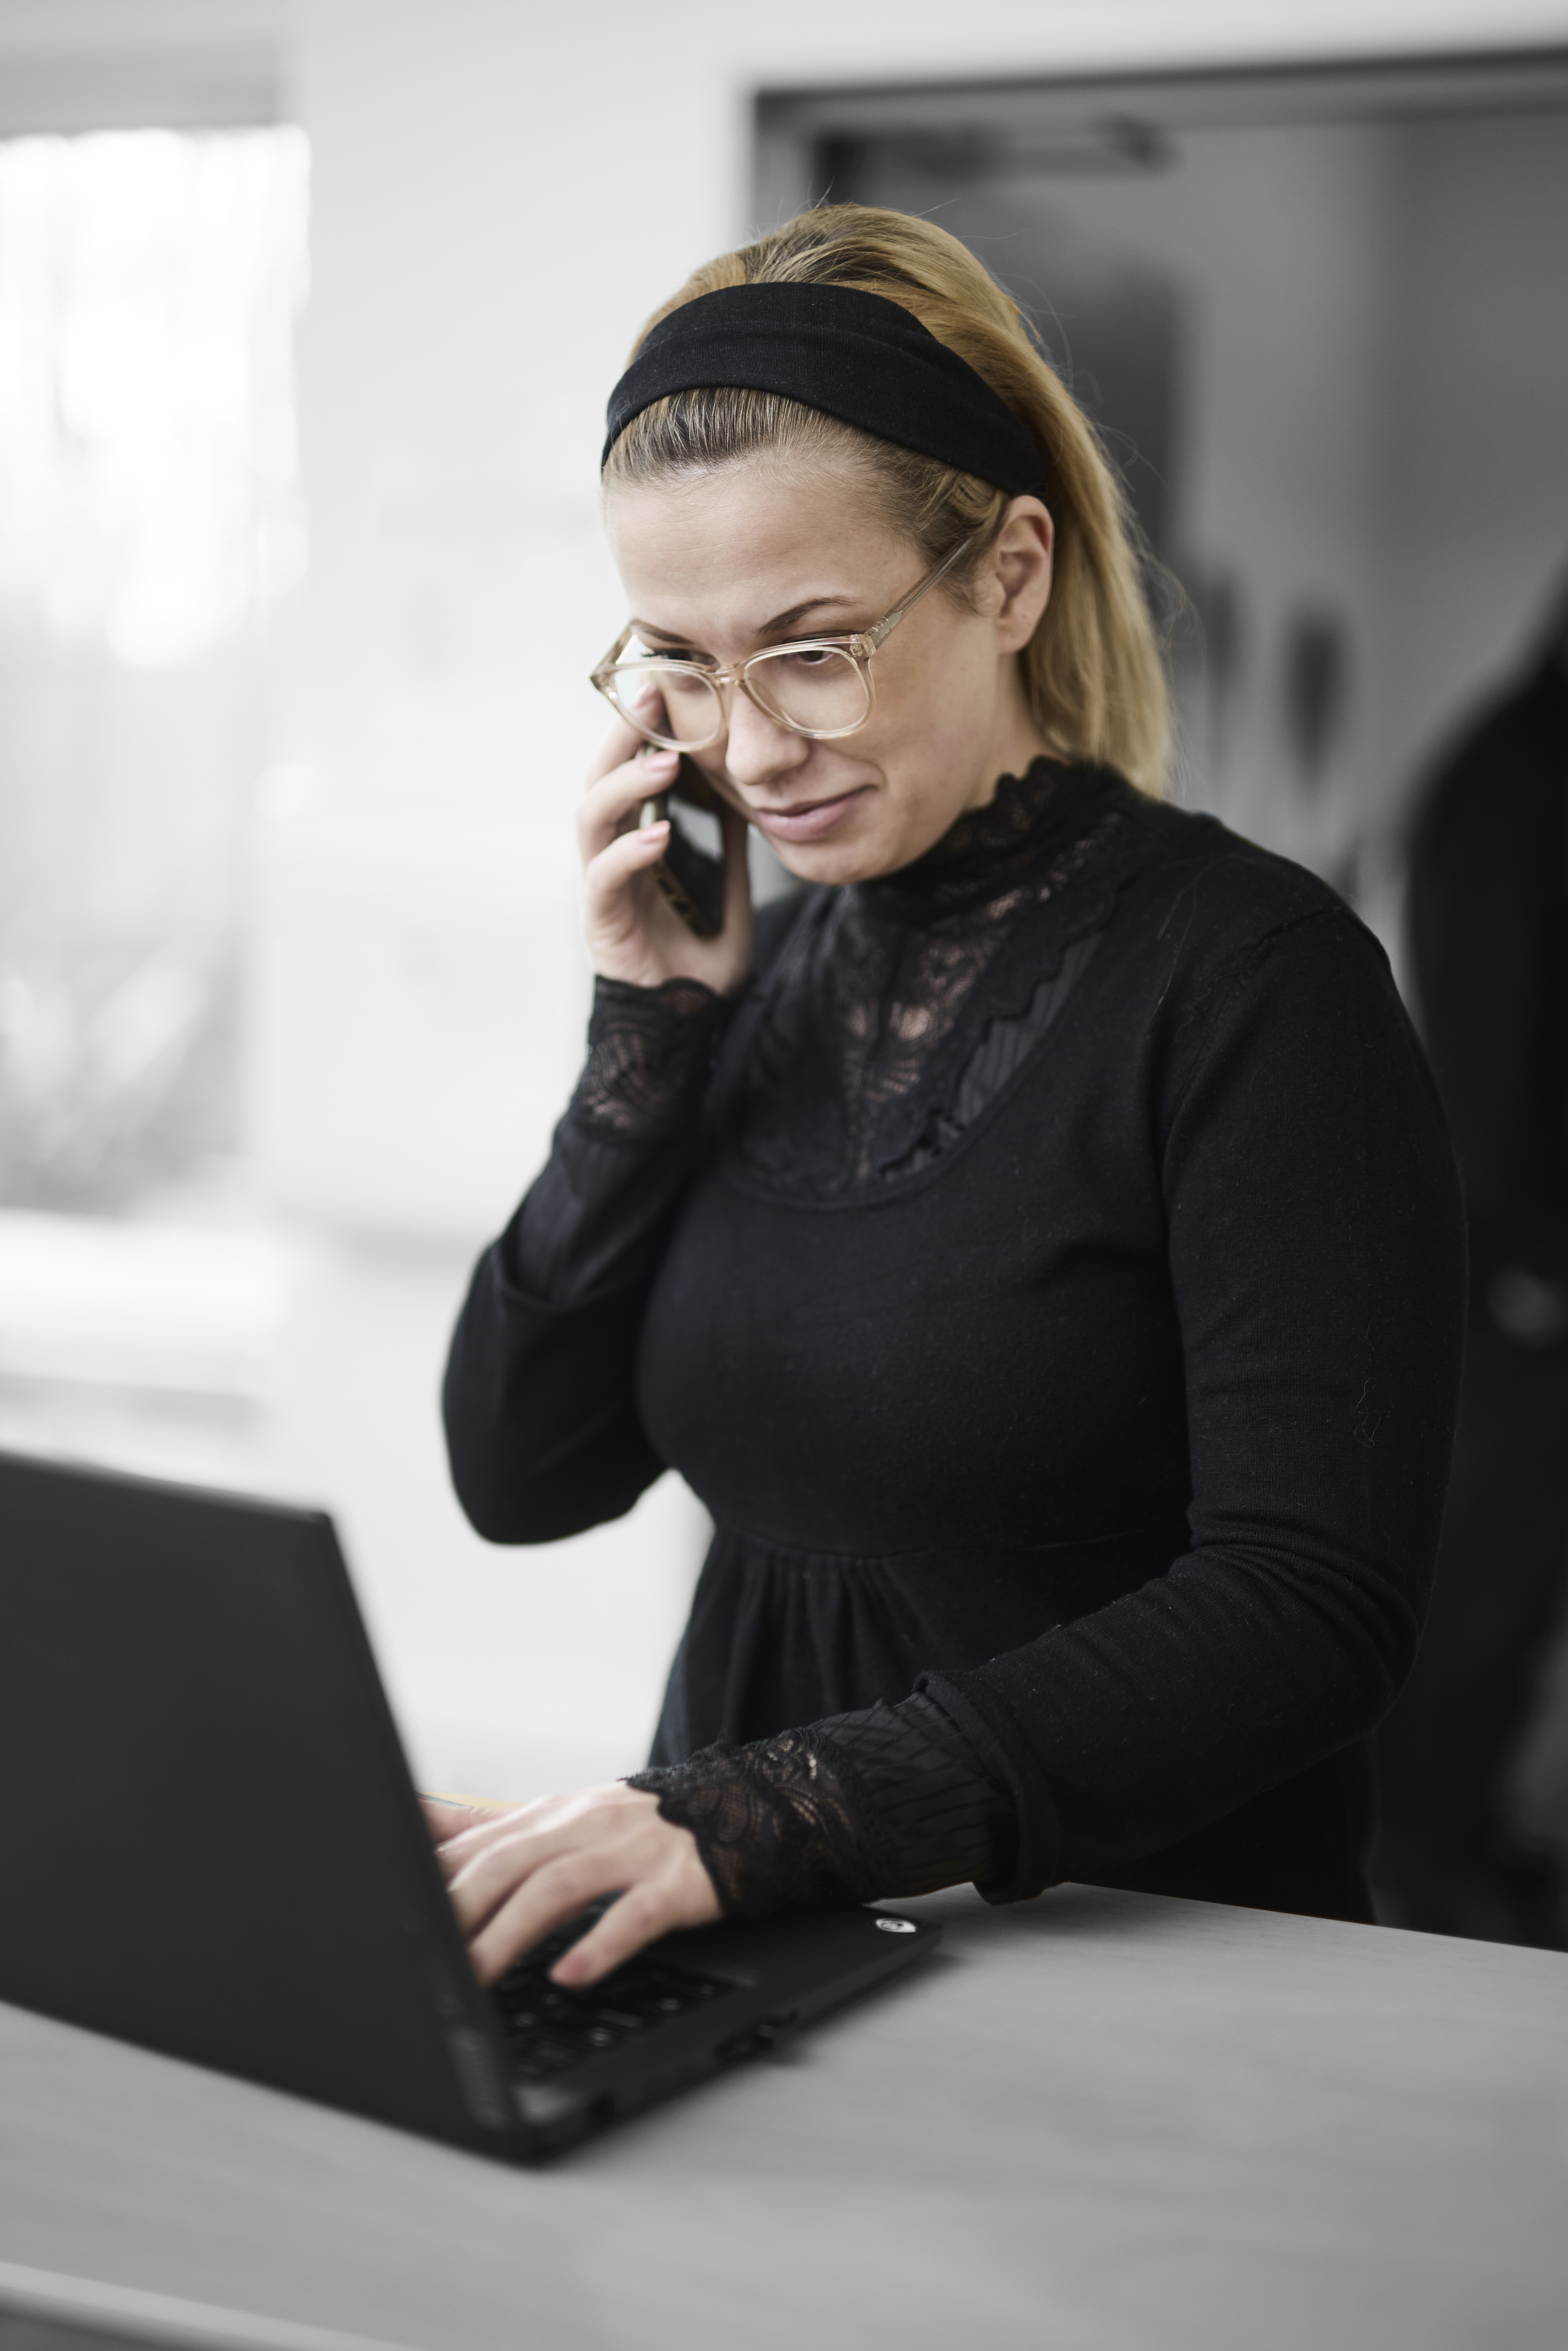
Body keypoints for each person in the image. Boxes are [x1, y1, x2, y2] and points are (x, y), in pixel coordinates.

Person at [433, 205, 1467, 1993]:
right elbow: (519, 1471)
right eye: (676, 658)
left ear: (1007, 573)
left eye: (814, 645)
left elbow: (1311, 1611)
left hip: (1141, 1987)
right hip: (780, 1969)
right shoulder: (754, 979)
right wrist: (642, 1042)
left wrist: (750, 1821)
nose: (748, 752)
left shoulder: (1254, 984)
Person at [1375, 582, 1568, 1947]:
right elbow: (1492, 1030)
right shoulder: (1521, 771)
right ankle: (1419, 1862)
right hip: (1519, 1271)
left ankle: (1459, 1838)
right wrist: (1526, 1255)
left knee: (1514, 1574)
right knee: (1480, 1580)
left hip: (1527, 1259)